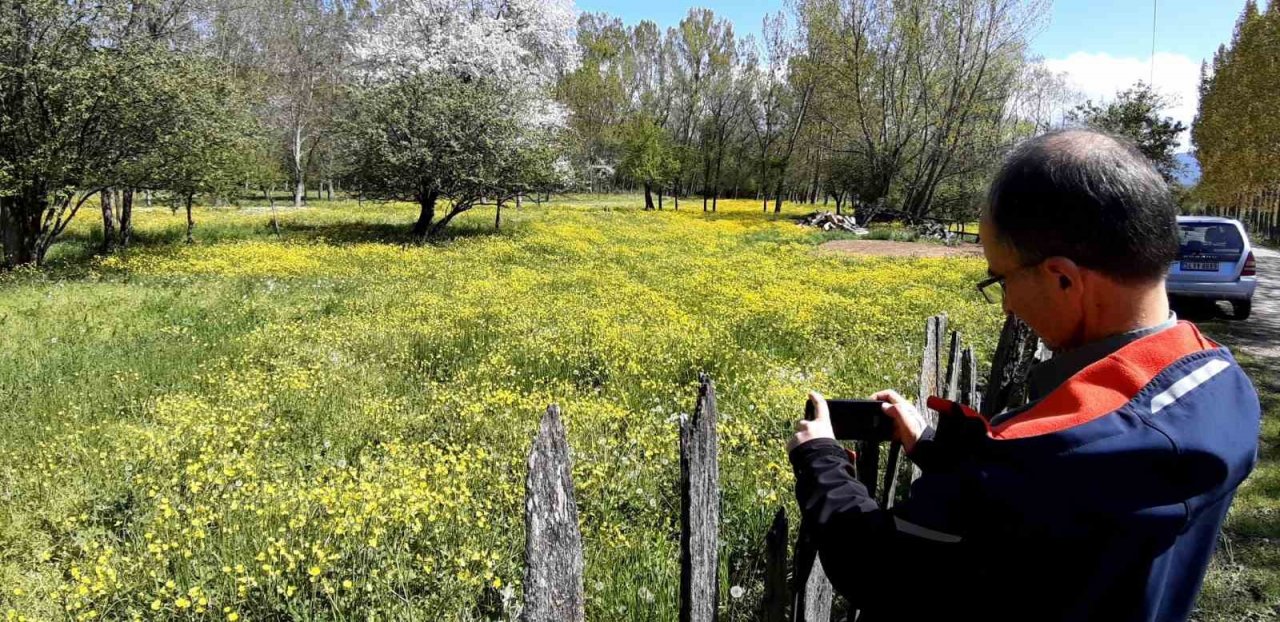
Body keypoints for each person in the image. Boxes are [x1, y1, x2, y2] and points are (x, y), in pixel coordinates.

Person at [787, 130, 1260, 621]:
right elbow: (1056, 522)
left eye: (1001, 279)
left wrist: (820, 459)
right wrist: (935, 448)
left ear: (1062, 277)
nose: (1008, 305)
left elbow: (881, 569)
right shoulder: (1223, 385)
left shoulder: (1035, 462)